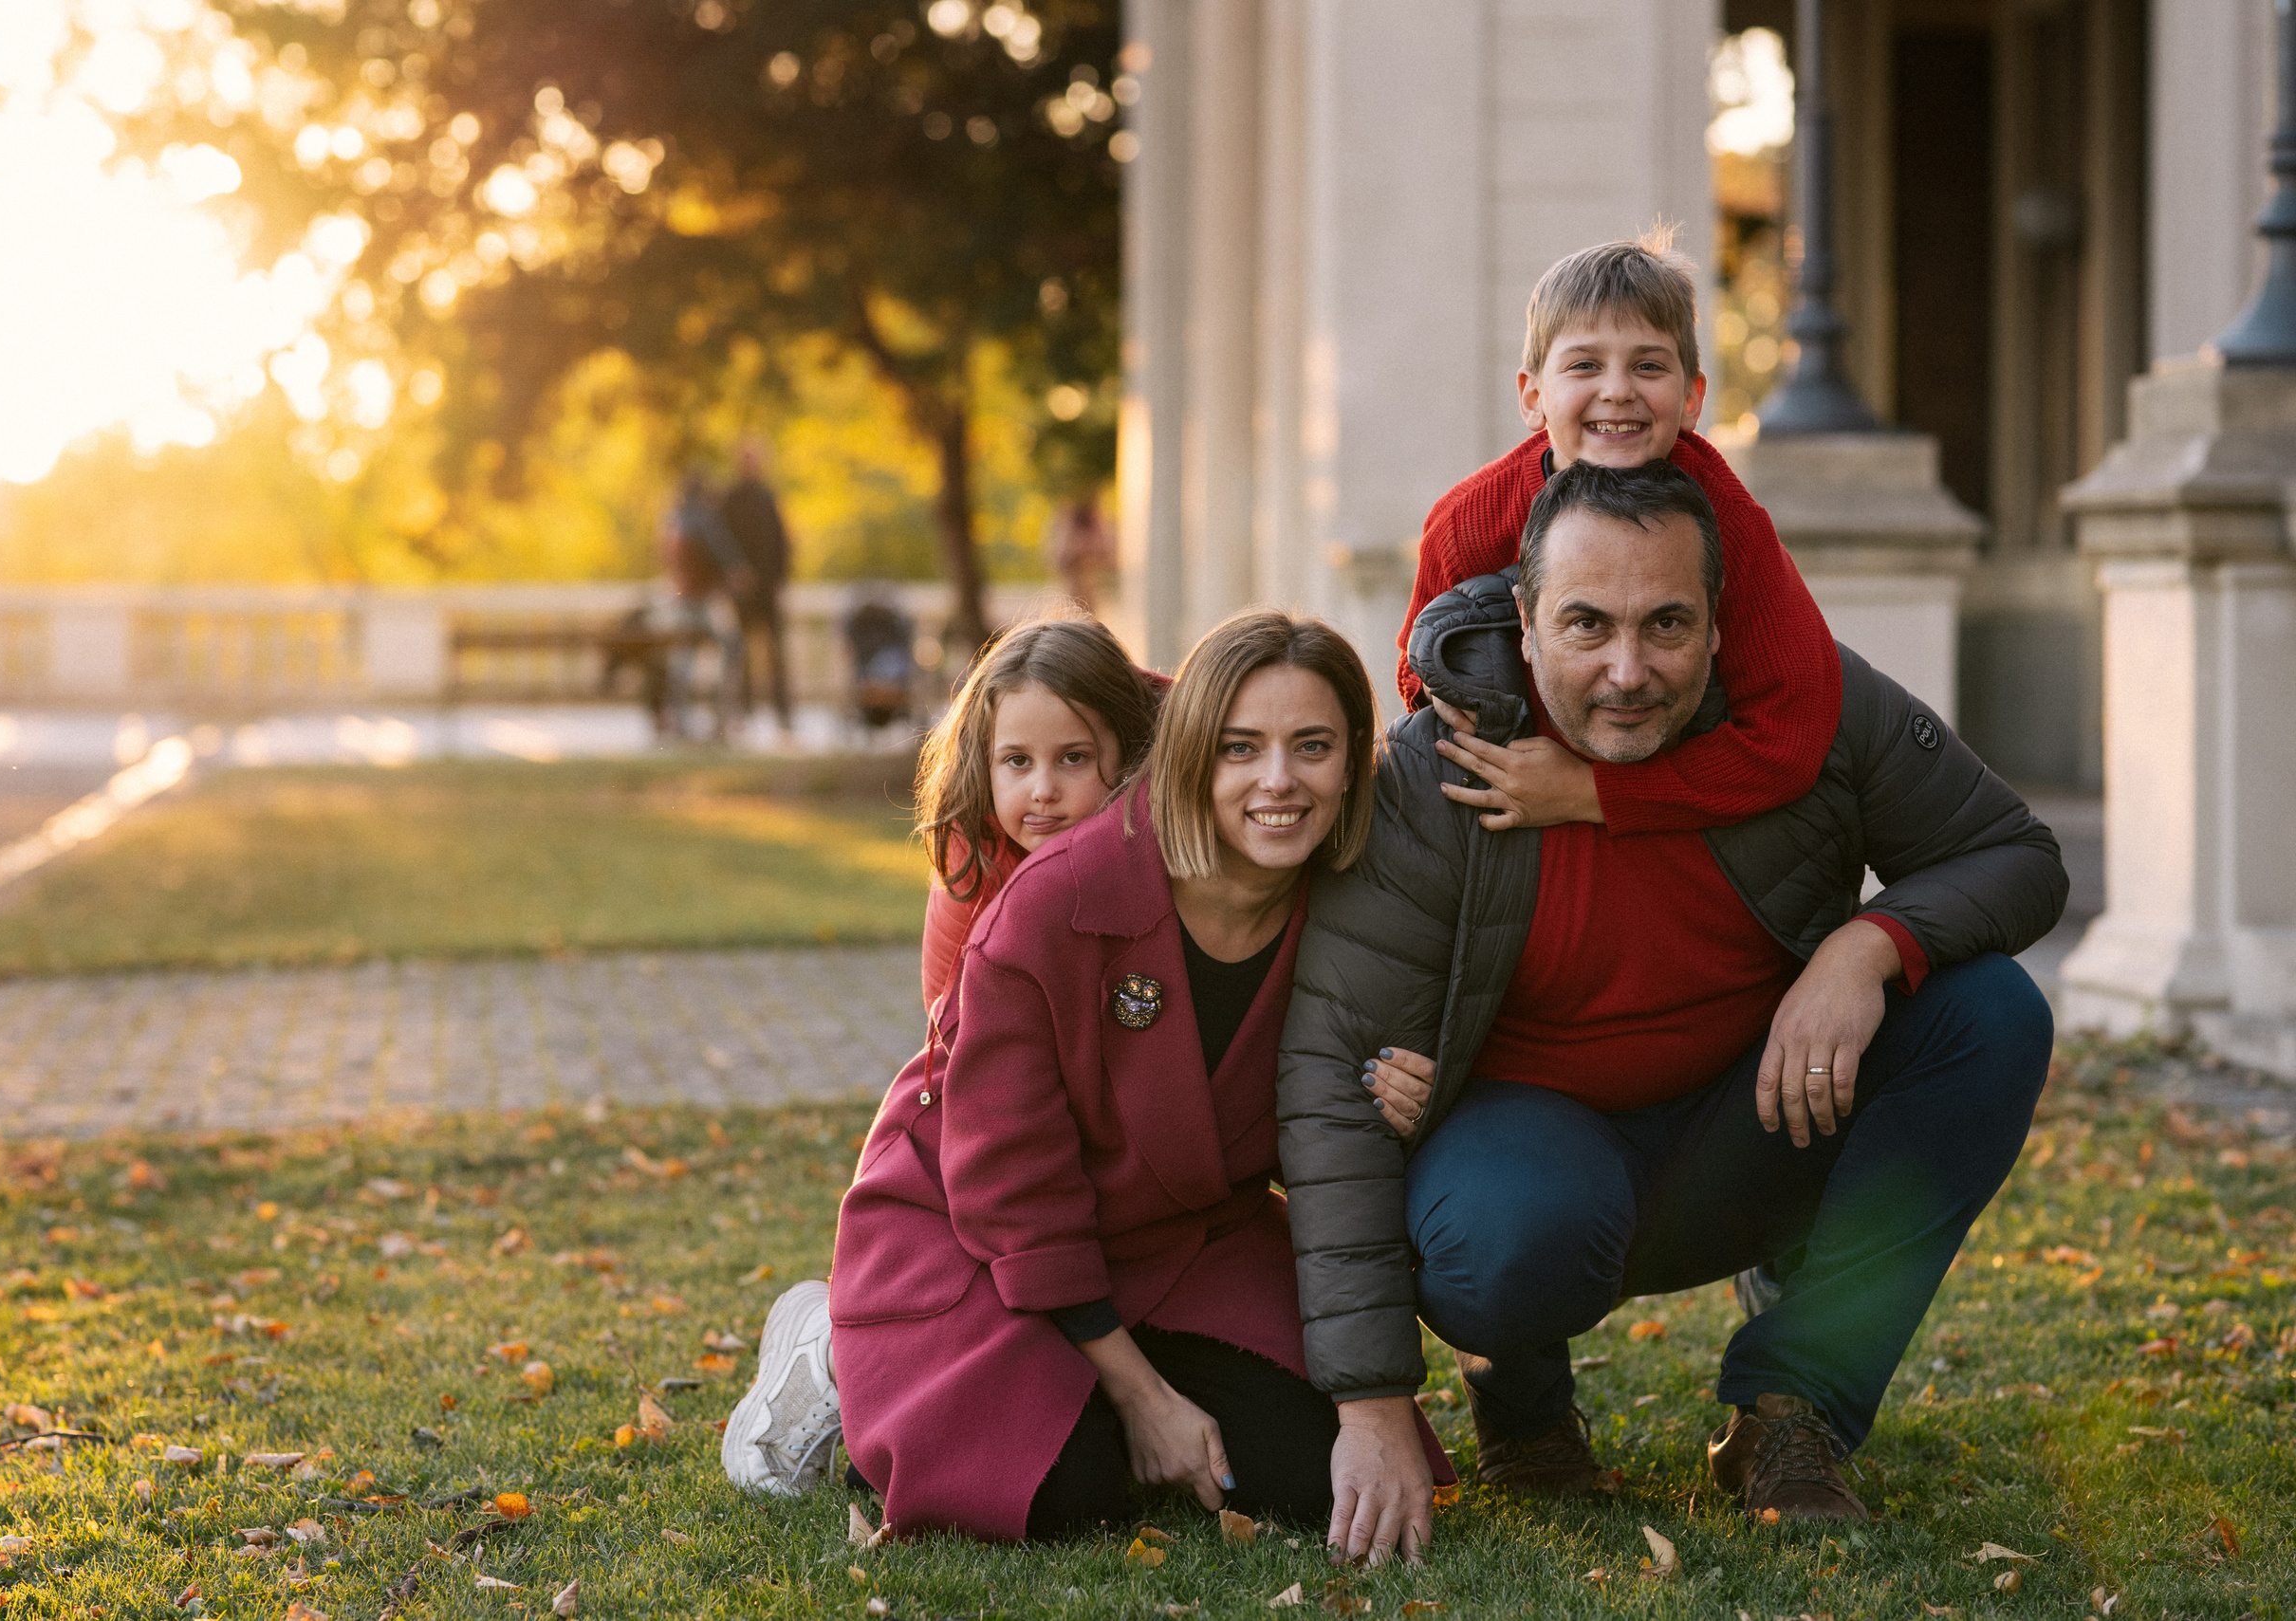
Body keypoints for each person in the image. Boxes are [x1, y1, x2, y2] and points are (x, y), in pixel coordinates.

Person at [1276, 462, 2066, 1547]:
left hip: (1757, 1120)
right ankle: (1520, 1395)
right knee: (1502, 1236)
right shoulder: (1433, 775)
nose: (1627, 669)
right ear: (1524, 615)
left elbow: (2014, 853)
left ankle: (1792, 1406)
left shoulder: (1810, 714)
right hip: (1528, 1162)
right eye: (1586, 624)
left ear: (1718, 621)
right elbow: (1328, 1083)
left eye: (1666, 625)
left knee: (1993, 1014)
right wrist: (1368, 1399)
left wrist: (1866, 945)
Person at [724, 611, 1452, 1555]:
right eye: (1240, 747)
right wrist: (1144, 1399)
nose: (1277, 780)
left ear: (1352, 758)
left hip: (1181, 1237)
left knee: (1311, 1473)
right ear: (1192, 756)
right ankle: (844, 1351)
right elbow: (1010, 1183)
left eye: (1310, 746)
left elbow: (1336, 1114)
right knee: (1049, 1484)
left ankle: (1091, 1382)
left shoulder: (1347, 890)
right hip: (981, 1234)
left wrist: (1407, 1089)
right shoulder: (1052, 896)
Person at [1391, 230, 1842, 839]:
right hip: (1513, 839)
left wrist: (1591, 793)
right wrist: (1456, 703)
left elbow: (1789, 735)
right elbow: (1420, 664)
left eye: (1649, 365)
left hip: (1689, 832)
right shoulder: (1468, 523)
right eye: (1584, 365)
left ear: (1691, 397)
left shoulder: (1728, 520)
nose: (1618, 389)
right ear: (1533, 397)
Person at [910, 615, 1161, 1017]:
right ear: (984, 764)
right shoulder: (975, 847)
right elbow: (950, 1028)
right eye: (1018, 761)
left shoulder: (1163, 848)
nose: (1043, 791)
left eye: (1073, 757)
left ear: (1128, 755)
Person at [658, 469, 748, 740]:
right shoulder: (705, 519)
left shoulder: (672, 520)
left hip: (680, 598)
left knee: (682, 661)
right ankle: (721, 719)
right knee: (731, 649)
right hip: (706, 599)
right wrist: (736, 573)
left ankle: (679, 722)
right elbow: (725, 554)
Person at [721, 441, 794, 730]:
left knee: (776, 653)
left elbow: (782, 542)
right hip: (742, 591)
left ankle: (784, 714)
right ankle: (744, 712)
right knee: (741, 654)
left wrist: (780, 581)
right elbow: (721, 544)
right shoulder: (730, 499)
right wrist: (733, 573)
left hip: (768, 589)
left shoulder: (769, 498)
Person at [1047, 492, 1115, 615]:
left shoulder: (1096, 522)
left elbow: (1109, 556)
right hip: (1073, 590)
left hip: (1093, 591)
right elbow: (1059, 557)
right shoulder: (1066, 521)